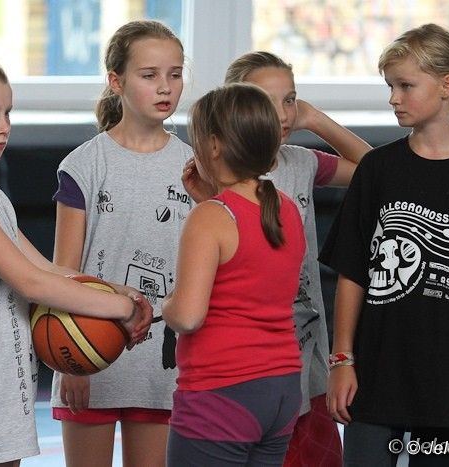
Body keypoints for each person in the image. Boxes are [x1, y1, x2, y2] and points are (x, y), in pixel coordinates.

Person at [0, 56, 152, 467]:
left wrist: (122, 291)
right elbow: (30, 284)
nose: (4, 126)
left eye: (8, 113)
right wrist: (121, 309)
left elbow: (46, 268)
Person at [319, 23, 449, 467]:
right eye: (390, 86)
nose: (393, 98)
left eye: (405, 86)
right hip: (374, 375)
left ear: (447, 86)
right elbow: (353, 273)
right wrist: (341, 361)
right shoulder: (378, 169)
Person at [48, 20, 193, 467]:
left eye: (175, 74)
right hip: (88, 355)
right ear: (116, 81)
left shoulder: (197, 166)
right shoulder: (85, 165)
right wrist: (71, 363)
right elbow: (64, 272)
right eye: (149, 75)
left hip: (163, 366)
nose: (165, 87)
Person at [223, 51, 372, 467]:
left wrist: (315, 119)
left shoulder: (302, 163)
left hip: (306, 358)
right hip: (247, 366)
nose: (283, 114)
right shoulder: (213, 171)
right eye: (266, 101)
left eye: (289, 100)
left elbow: (375, 171)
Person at [162, 82, 306, 466]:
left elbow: (188, 317)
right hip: (282, 390)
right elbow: (252, 267)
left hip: (223, 390)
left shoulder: (211, 218)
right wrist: (211, 201)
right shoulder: (286, 209)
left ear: (213, 146)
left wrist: (164, 303)